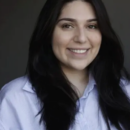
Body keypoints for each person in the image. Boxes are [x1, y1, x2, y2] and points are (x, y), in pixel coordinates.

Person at [0, 0, 130, 130]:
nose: (81, 38)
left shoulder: (126, 92)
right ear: (48, 32)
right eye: (67, 26)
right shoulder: (15, 98)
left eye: (92, 26)